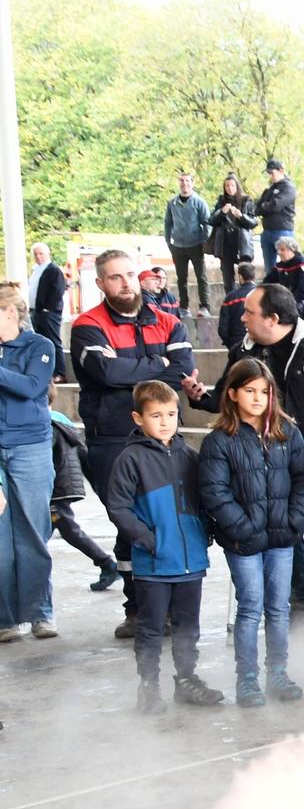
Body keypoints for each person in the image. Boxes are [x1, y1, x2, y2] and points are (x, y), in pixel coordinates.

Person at [184, 283, 304, 615]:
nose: (243, 318)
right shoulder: (244, 351)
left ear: (272, 318)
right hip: (263, 457)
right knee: (283, 526)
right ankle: (295, 598)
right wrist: (199, 397)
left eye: (249, 312)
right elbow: (226, 394)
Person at [70, 249, 197, 637]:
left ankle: (174, 607)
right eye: (115, 277)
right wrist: (158, 365)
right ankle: (137, 609)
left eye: (129, 275)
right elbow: (105, 373)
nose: (125, 283)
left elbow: (181, 370)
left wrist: (145, 369)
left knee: (171, 515)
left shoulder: (168, 322)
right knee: (128, 522)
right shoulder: (86, 325)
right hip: (112, 438)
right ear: (100, 284)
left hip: (166, 438)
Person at [197, 357, 304, 706]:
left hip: (282, 538)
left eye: (264, 391)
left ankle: (277, 673)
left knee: (279, 608)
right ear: (232, 393)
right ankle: (247, 679)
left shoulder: (287, 432)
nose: (258, 398)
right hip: (243, 542)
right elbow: (214, 492)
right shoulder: (220, 441)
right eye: (250, 391)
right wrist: (243, 527)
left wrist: (295, 520)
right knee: (250, 608)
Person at [106, 381, 224, 711]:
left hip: (190, 563)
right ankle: (148, 687)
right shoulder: (131, 460)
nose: (165, 422)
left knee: (188, 627)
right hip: (154, 564)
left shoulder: (190, 455)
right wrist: (148, 540)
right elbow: (118, 507)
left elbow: (204, 501)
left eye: (171, 414)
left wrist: (205, 533)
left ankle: (186, 680)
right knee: (151, 629)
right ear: (137, 418)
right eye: (155, 415)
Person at [0, 282, 57, 641]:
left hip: (30, 448)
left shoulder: (40, 345)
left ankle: (40, 613)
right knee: (0, 537)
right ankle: (5, 619)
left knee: (33, 533)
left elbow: (32, 386)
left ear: (9, 312)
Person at [50, 397, 120, 595]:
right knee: (64, 529)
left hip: (55, 489)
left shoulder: (44, 424)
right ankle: (106, 563)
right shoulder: (61, 418)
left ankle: (106, 563)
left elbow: (45, 461)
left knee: (64, 530)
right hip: (66, 485)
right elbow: (82, 449)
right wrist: (92, 481)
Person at [162, 173, 213, 317]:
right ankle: (184, 307)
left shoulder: (199, 202)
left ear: (192, 183)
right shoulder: (172, 203)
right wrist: (168, 241)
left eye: (187, 181)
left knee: (201, 277)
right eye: (182, 181)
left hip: (196, 245)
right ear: (179, 183)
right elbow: (167, 223)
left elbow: (207, 223)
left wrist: (205, 242)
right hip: (178, 246)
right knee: (181, 278)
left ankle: (205, 306)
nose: (185, 184)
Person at [208, 174, 257, 298]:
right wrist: (222, 212)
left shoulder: (246, 200)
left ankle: (247, 300)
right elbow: (212, 220)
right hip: (225, 243)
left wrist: (240, 216)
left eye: (232, 185)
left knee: (246, 275)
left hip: (242, 243)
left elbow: (253, 223)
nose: (229, 188)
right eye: (227, 186)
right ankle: (231, 302)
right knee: (227, 278)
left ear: (237, 186)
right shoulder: (221, 201)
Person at [27, 243, 69, 381]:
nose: (38, 257)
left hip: (48, 313)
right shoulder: (36, 270)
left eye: (41, 253)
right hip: (37, 312)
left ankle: (60, 372)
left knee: (53, 341)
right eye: (36, 254)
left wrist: (47, 308)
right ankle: (45, 371)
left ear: (47, 254)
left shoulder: (53, 270)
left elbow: (58, 291)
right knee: (41, 342)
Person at [255, 159, 298, 272]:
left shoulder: (288, 188)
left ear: (281, 171)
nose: (270, 176)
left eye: (272, 173)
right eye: (268, 174)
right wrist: (264, 206)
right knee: (270, 268)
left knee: (288, 264)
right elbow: (257, 208)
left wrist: (265, 206)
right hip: (267, 230)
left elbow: (275, 205)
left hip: (282, 230)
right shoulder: (269, 190)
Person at [271, 238, 304, 317]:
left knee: (290, 312)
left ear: (292, 250)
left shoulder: (303, 262)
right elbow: (268, 282)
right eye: (278, 250)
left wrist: (287, 301)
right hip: (289, 301)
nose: (279, 252)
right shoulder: (279, 266)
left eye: (282, 250)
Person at [217, 263, 257, 351]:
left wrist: (230, 343)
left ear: (240, 277)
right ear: (254, 277)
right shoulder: (263, 295)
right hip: (258, 341)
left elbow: (223, 328)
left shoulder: (230, 298)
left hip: (236, 343)